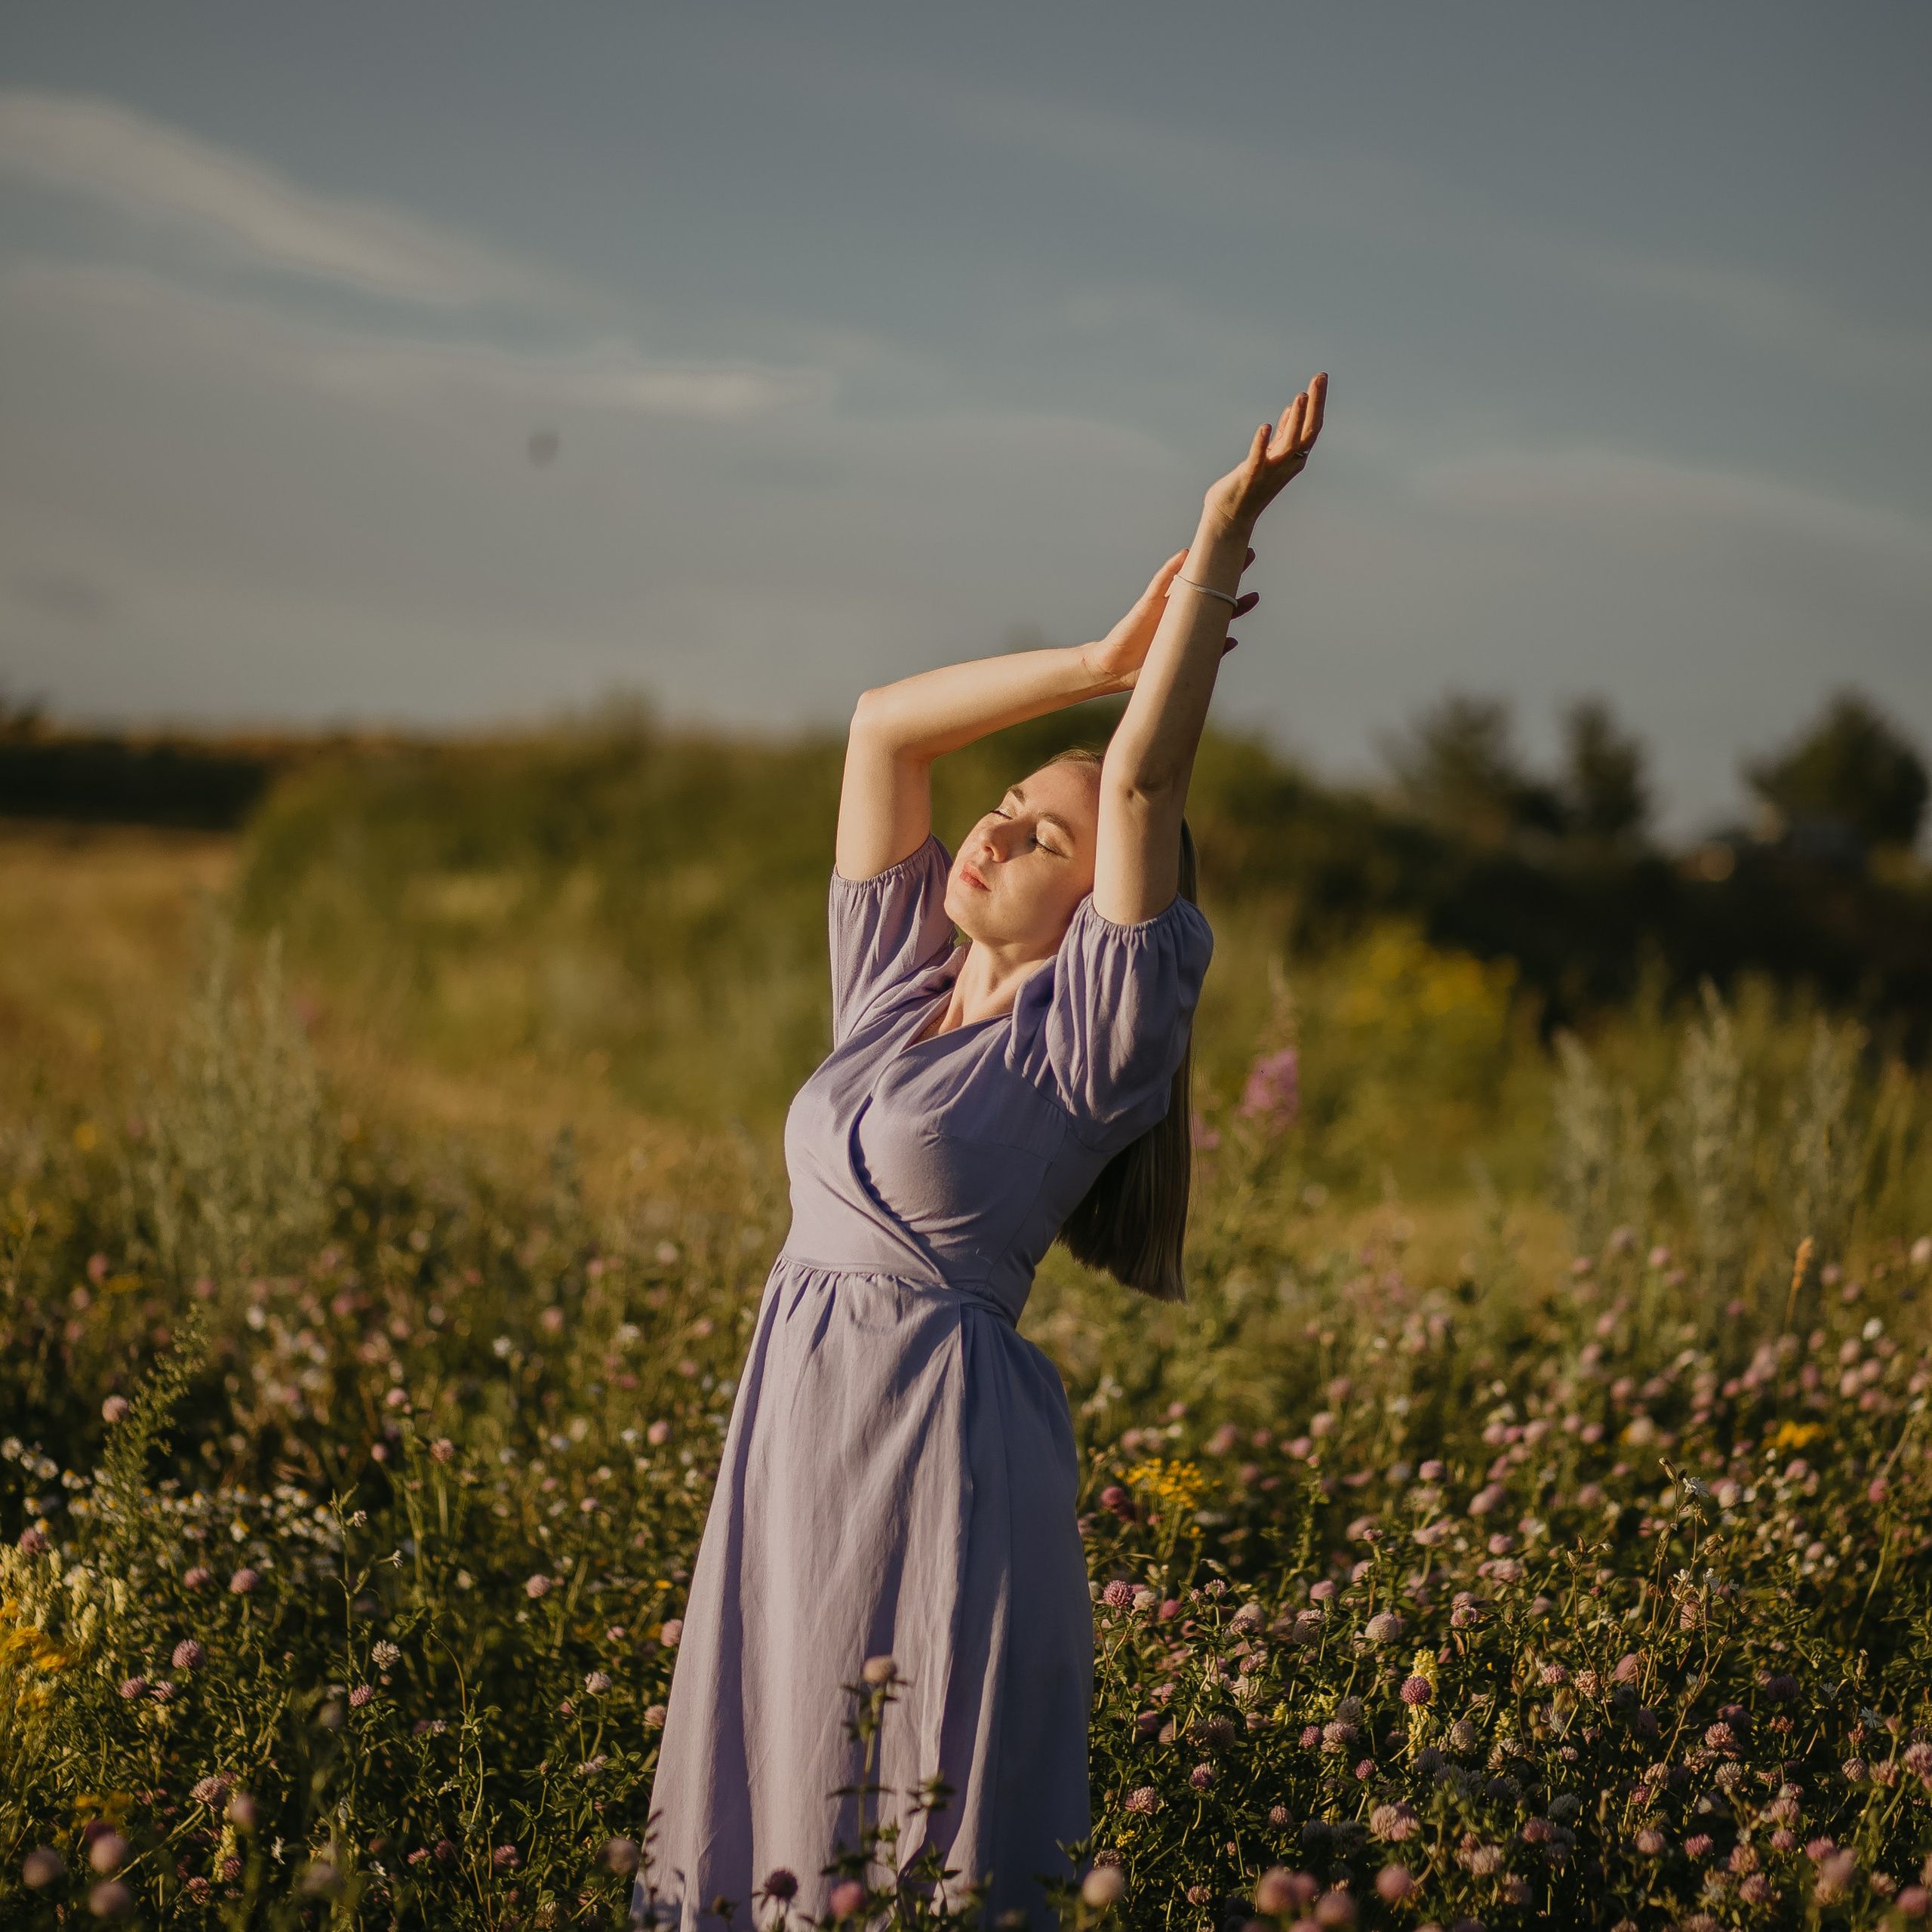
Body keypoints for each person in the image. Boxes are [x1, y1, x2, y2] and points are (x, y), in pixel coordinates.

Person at [638, 374, 1327, 1927]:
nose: (996, 833)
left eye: (1043, 839)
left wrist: (1218, 538)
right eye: (1006, 805)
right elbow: (882, 723)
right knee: (770, 1772)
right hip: (794, 1427)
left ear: (1101, 909)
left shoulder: (1092, 1041)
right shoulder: (893, 984)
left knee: (900, 1800)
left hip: (927, 1436)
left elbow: (1142, 780)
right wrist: (1094, 659)